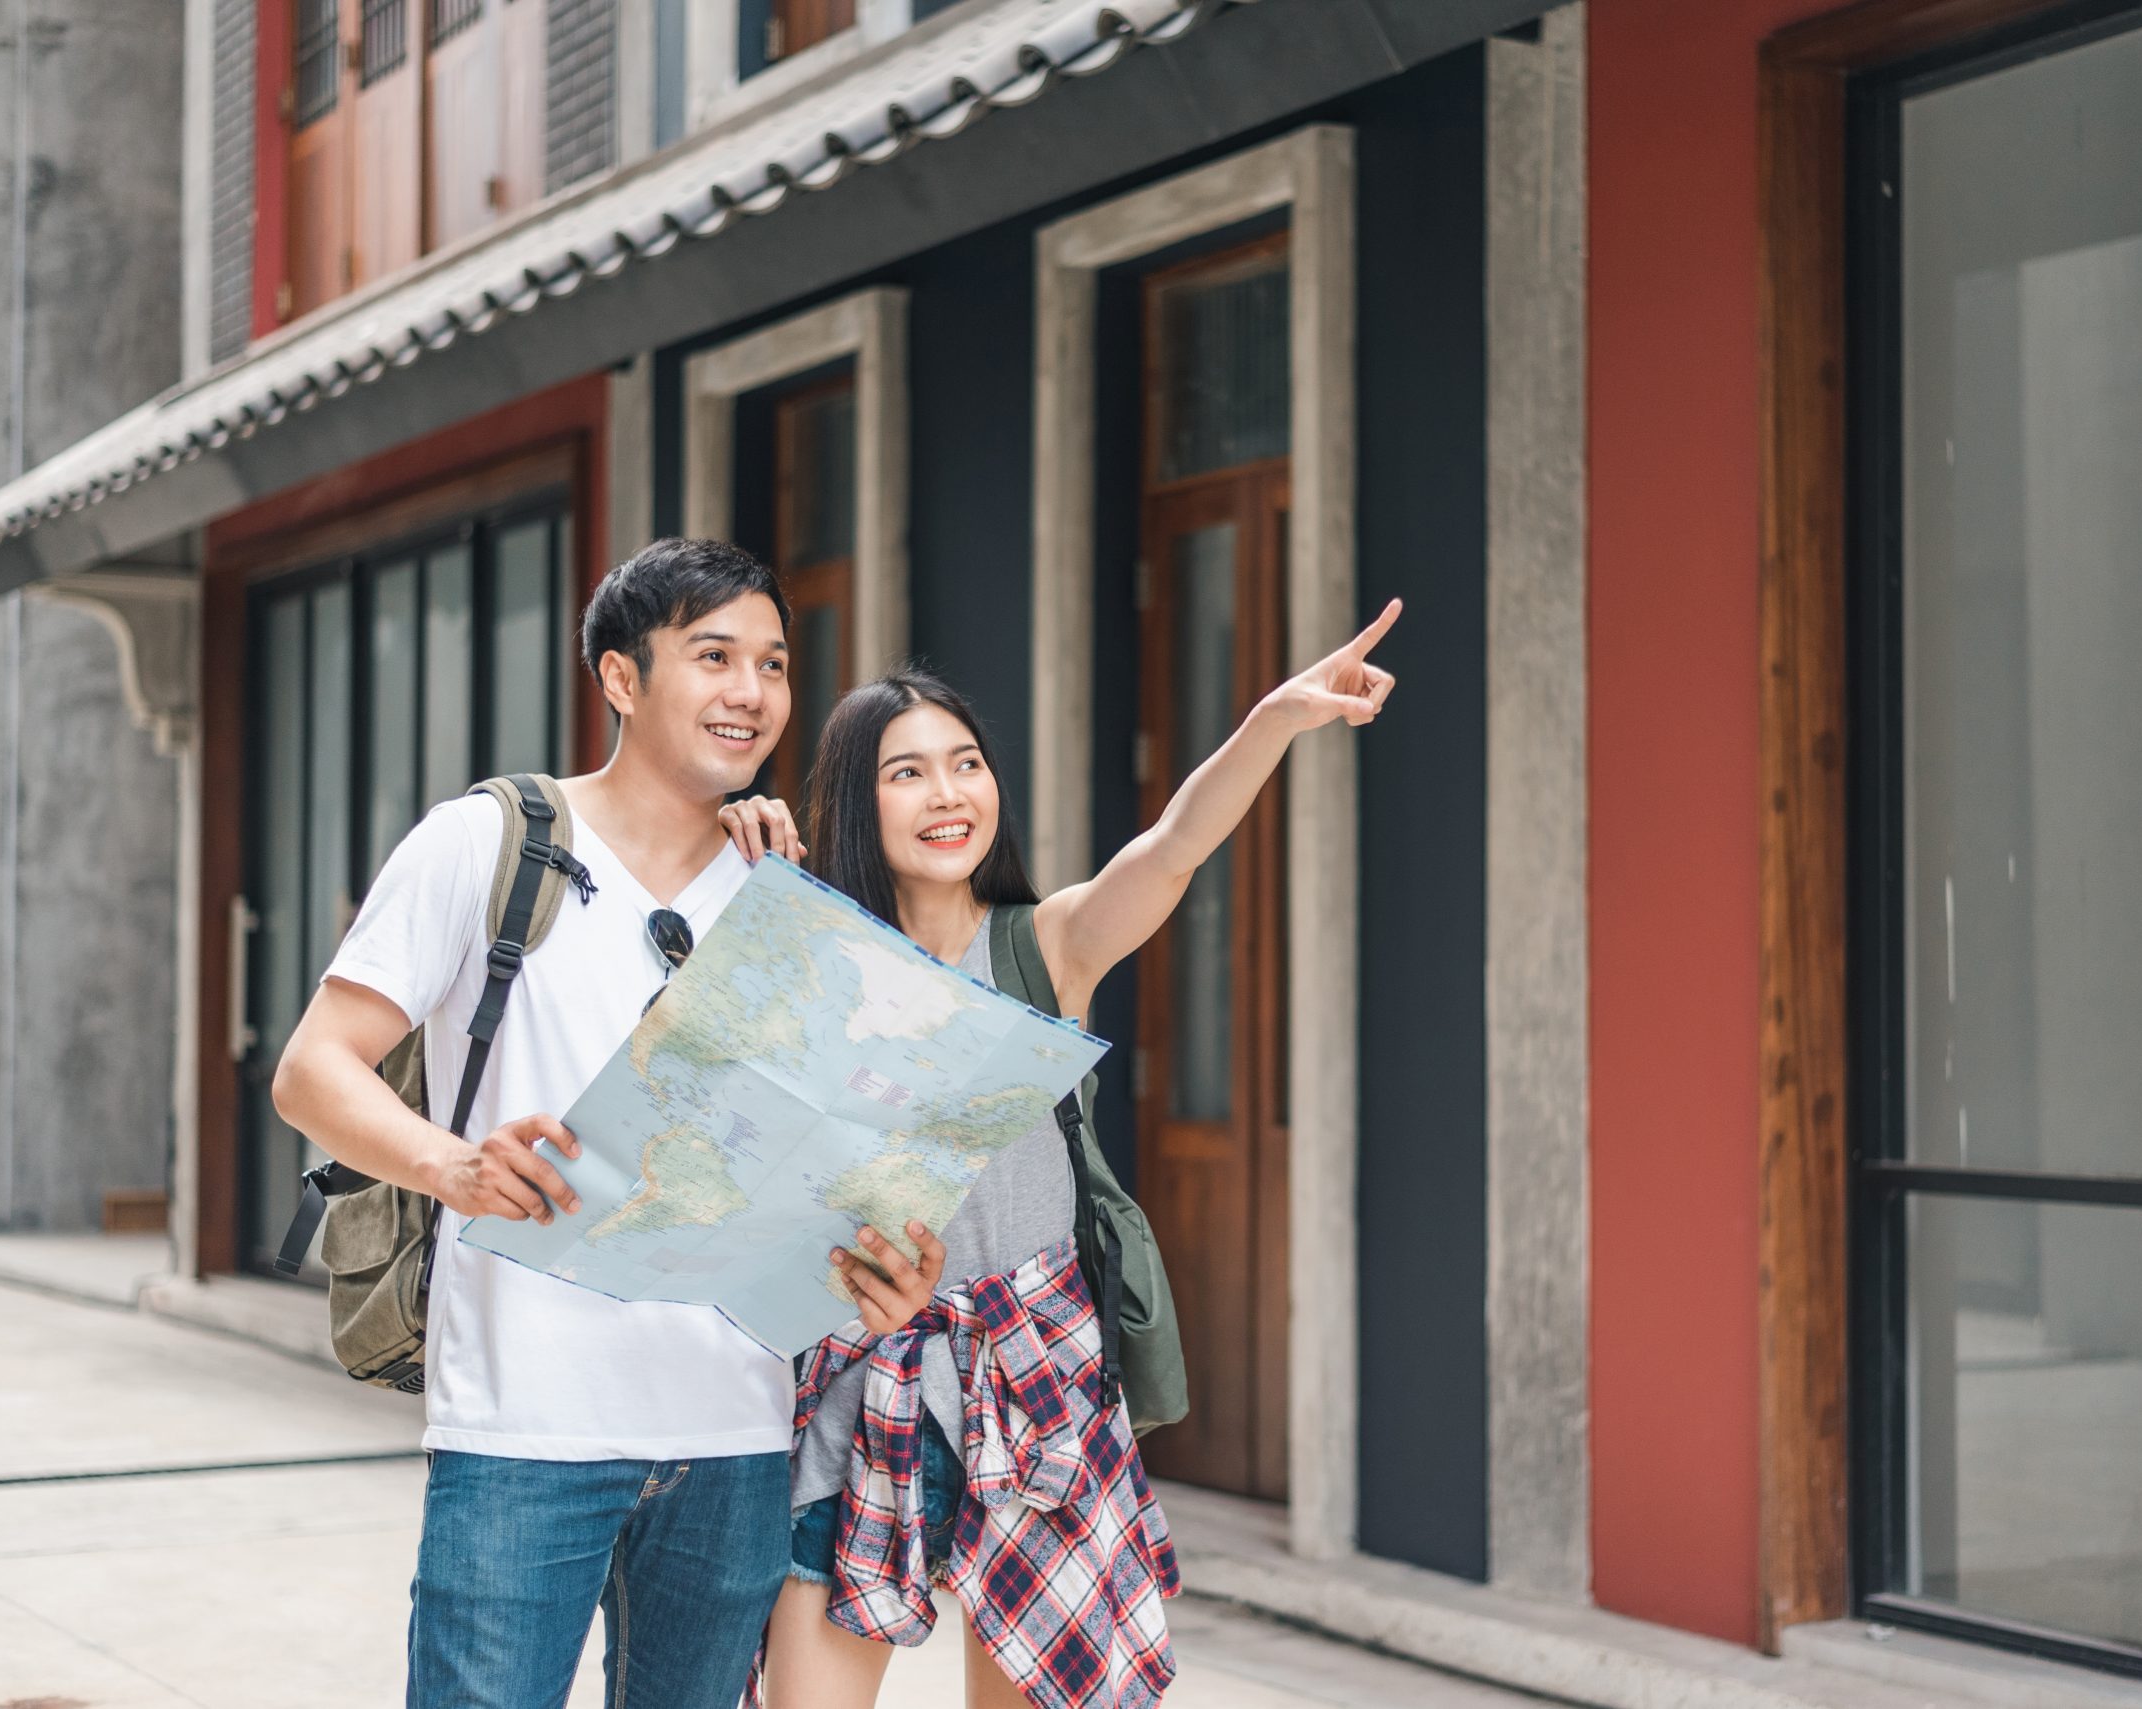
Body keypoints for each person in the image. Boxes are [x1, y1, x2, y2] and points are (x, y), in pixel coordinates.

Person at [271, 537, 944, 1709]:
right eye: (714, 655)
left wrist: (873, 1268)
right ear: (622, 679)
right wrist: (453, 1164)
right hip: (523, 1431)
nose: (751, 690)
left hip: (734, 1438)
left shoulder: (785, 902)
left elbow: (805, 1169)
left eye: (774, 663)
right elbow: (314, 1070)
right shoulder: (486, 844)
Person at [718, 599, 1402, 1709]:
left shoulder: (1044, 944)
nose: (948, 793)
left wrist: (1275, 718)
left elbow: (1175, 847)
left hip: (1034, 1369)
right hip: (862, 1369)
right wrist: (733, 852)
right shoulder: (808, 960)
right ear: (855, 797)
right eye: (908, 773)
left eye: (967, 763)